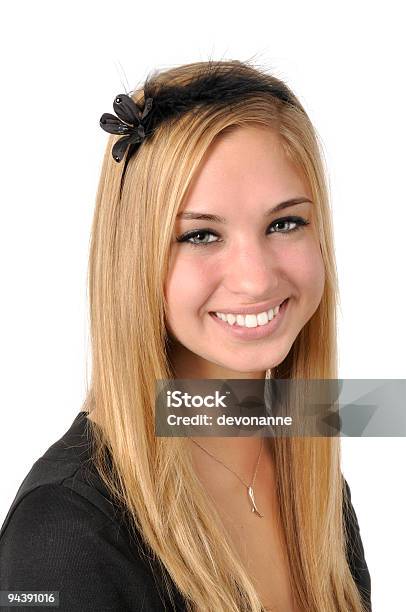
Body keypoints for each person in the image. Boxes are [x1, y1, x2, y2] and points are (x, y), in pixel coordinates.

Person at [0, 59, 371, 611]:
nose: (256, 278)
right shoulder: (62, 533)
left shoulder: (308, 474)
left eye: (285, 223)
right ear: (135, 259)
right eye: (200, 235)